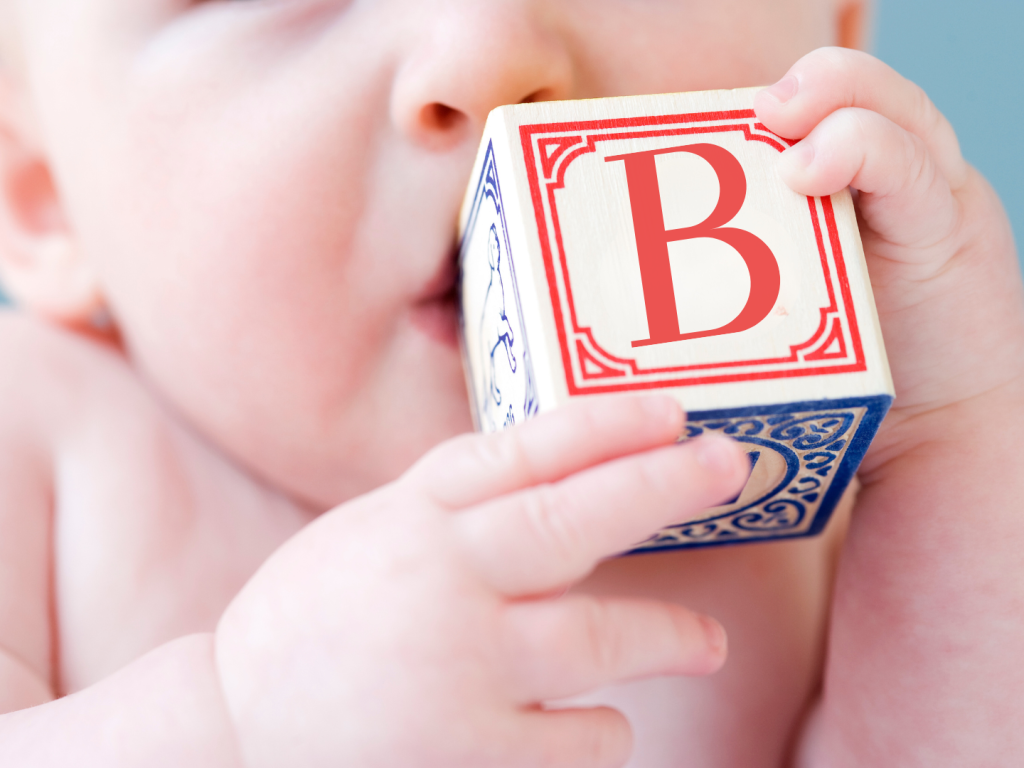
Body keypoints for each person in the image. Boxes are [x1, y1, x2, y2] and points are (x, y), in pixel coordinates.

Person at [0, 0, 1020, 765]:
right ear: (44, 199)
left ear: (833, 23)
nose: (486, 47)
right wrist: (233, 725)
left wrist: (954, 449)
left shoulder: (786, 482)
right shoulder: (42, 447)